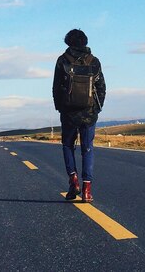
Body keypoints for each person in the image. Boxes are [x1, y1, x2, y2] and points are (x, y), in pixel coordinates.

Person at [52, 28, 106, 203]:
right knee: (87, 148)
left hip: (68, 112)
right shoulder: (94, 61)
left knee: (68, 146)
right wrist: (97, 108)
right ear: (85, 42)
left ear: (68, 42)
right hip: (89, 113)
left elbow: (56, 87)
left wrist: (60, 107)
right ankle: (87, 190)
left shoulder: (62, 60)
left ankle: (73, 180)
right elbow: (101, 88)